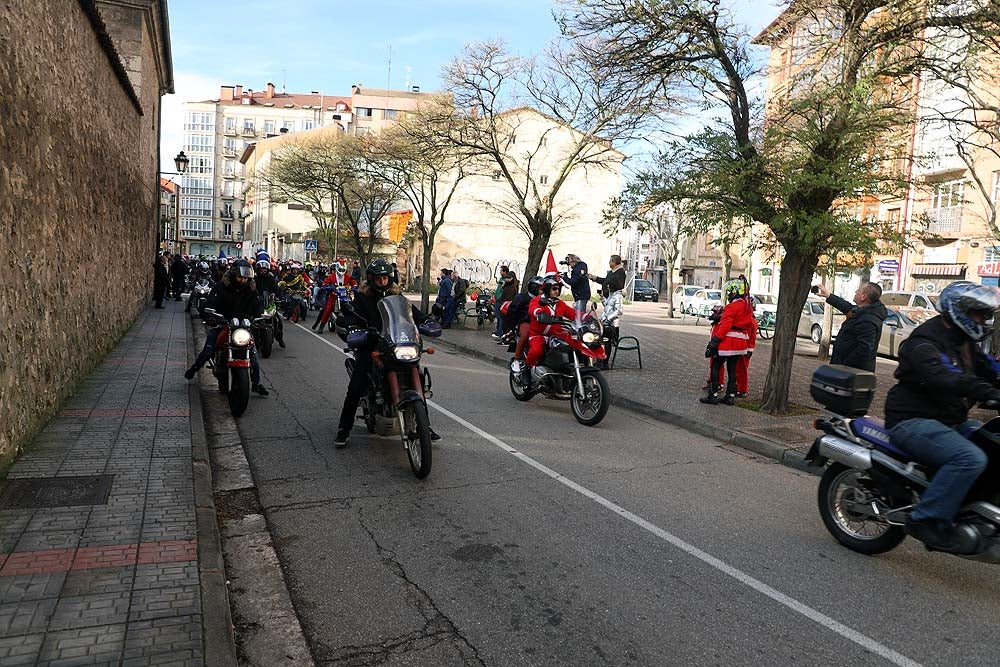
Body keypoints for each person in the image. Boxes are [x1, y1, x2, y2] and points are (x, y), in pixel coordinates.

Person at [886, 281, 1000, 554]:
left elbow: (990, 368)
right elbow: (945, 377)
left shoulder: (964, 341)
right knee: (970, 458)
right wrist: (986, 391)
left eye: (986, 315)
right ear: (957, 310)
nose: (983, 320)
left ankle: (969, 507)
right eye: (978, 314)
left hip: (948, 421)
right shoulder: (925, 342)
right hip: (912, 420)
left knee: (990, 442)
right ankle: (925, 519)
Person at [333, 259, 438, 448]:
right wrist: (354, 327)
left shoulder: (397, 296)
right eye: (379, 279)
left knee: (418, 375)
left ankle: (424, 426)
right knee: (357, 385)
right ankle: (344, 429)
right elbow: (351, 316)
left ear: (390, 278)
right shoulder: (363, 298)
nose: (382, 282)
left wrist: (428, 321)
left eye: (385, 278)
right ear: (371, 279)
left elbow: (411, 314)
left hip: (394, 344)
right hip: (371, 345)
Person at [184, 259, 269, 396]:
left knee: (252, 353)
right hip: (223, 322)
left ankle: (256, 383)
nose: (243, 280)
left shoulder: (251, 288)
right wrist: (210, 313)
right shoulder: (221, 286)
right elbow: (210, 302)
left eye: (246, 277)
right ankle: (194, 368)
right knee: (208, 349)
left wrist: (260, 316)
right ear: (233, 275)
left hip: (243, 326)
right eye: (240, 277)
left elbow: (258, 304)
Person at [700, 278, 756, 405]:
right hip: (741, 343)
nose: (730, 295)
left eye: (731, 292)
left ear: (735, 292)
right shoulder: (747, 307)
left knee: (716, 366)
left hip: (728, 342)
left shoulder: (732, 307)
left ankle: (713, 395)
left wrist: (714, 341)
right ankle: (730, 395)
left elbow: (725, 326)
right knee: (732, 368)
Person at [813, 282, 886, 372]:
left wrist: (845, 365)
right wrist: (828, 295)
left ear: (863, 297)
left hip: (851, 372)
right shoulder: (862, 311)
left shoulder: (868, 320)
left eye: (858, 290)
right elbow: (847, 307)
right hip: (845, 369)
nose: (856, 291)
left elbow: (864, 349)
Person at [525, 277, 578, 376]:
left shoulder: (560, 304)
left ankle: (568, 369)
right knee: (536, 350)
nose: (557, 291)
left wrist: (587, 318)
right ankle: (527, 371)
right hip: (538, 334)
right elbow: (533, 309)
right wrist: (539, 314)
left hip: (556, 335)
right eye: (554, 289)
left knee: (575, 344)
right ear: (547, 289)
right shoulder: (538, 300)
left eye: (558, 289)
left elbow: (573, 314)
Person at [254, 258, 285, 349]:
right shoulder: (254, 279)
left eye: (265, 269)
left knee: (278, 321)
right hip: (256, 305)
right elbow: (249, 291)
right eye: (261, 269)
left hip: (269, 305)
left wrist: (278, 296)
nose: (263, 270)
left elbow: (276, 289)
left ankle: (280, 339)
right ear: (258, 269)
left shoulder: (271, 279)